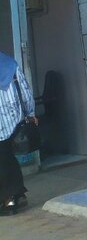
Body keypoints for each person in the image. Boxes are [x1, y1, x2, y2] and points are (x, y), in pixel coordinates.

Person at [0, 52, 37, 215]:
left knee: (3, 158)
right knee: (6, 156)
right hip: (13, 119)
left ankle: (10, 198)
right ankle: (17, 194)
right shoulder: (10, 64)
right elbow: (25, 91)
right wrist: (30, 113)